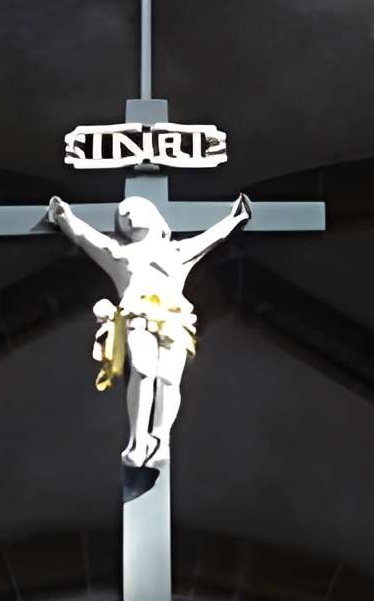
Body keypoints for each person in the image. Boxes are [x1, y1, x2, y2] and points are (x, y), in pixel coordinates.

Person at [42, 191, 253, 470]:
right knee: (142, 369)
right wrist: (64, 216)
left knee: (168, 379)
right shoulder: (120, 254)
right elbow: (85, 236)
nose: (128, 215)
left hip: (175, 321)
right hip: (137, 319)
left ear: (152, 214)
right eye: (123, 214)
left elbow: (213, 237)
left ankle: (161, 440)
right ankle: (138, 440)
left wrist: (234, 219)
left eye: (134, 209)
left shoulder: (177, 252)